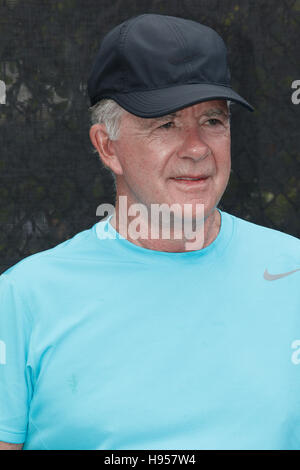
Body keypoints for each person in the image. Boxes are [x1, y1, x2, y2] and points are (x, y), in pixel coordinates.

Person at [0, 13, 299, 451]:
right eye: (166, 124)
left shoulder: (293, 274)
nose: (197, 148)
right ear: (107, 147)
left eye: (213, 121)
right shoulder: (22, 299)